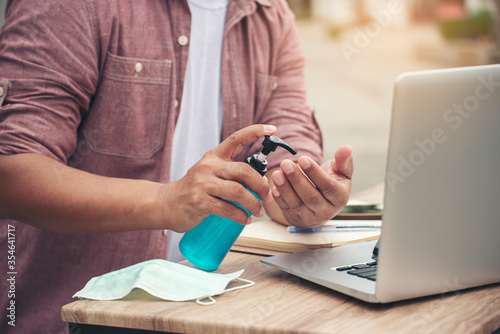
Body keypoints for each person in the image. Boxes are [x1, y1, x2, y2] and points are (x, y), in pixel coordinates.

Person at [0, 0, 353, 333]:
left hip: (202, 312)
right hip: (73, 320)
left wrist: (305, 194)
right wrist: (164, 201)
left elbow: (285, 149)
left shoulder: (269, 12)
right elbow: (12, 174)